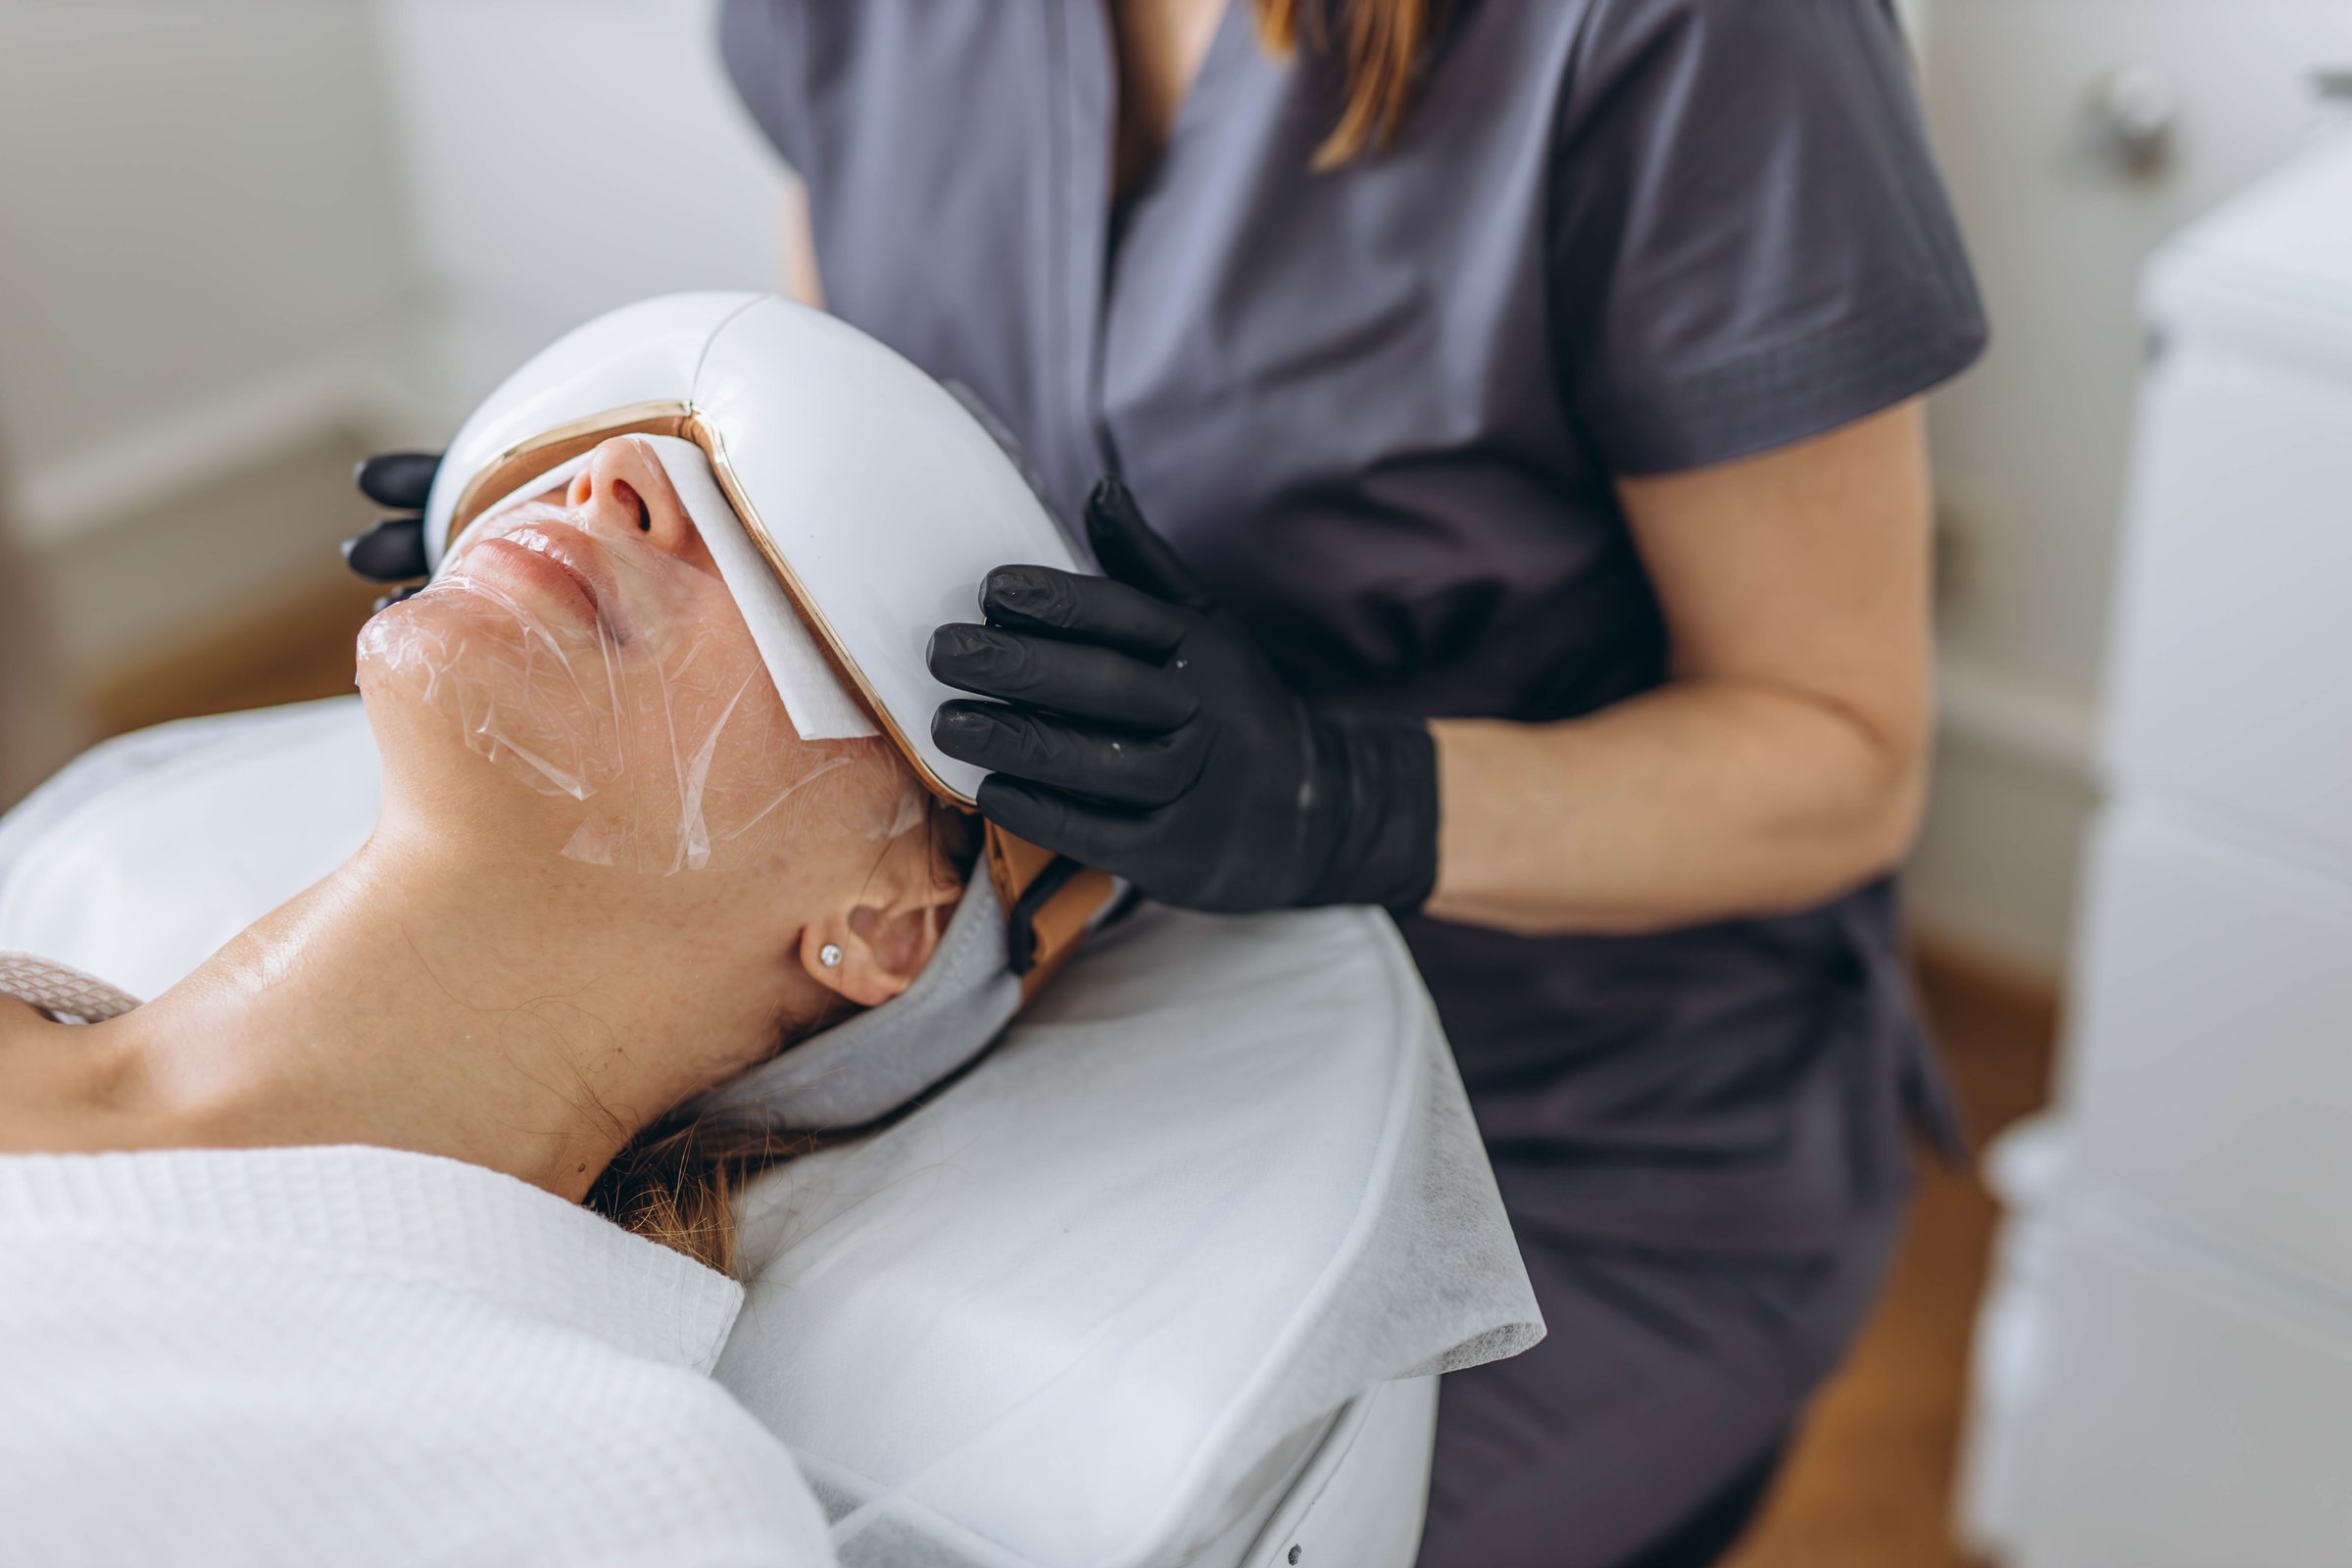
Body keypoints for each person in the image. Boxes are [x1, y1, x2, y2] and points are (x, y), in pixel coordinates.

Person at [716, 2, 1988, 1563]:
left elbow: (1840, 755)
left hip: (1577, 1145)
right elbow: (861, 438)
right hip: (1070, 1046)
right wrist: (619, 526)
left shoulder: (1695, 37)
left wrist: (1346, 799)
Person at [0, 434, 978, 1565]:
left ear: (886, 918)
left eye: (787, 543)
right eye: (634, 427)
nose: (608, 469)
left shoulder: (620, 1495)